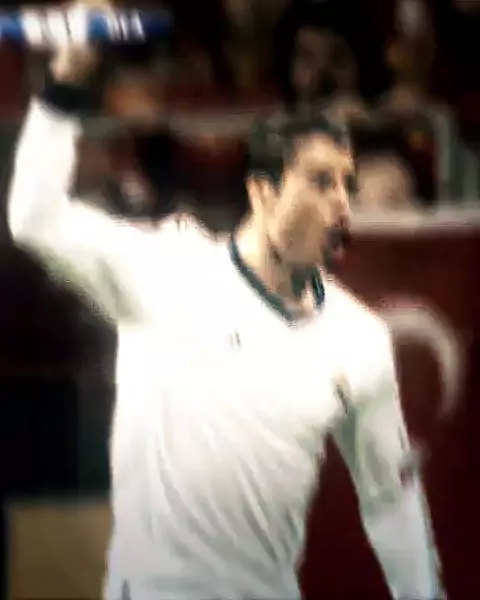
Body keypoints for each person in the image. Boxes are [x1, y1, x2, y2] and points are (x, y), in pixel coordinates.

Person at [8, 38, 444, 600]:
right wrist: (65, 86)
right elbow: (34, 218)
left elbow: (391, 501)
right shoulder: (166, 271)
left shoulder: (360, 340)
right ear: (262, 192)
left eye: (347, 185)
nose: (342, 204)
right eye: (320, 182)